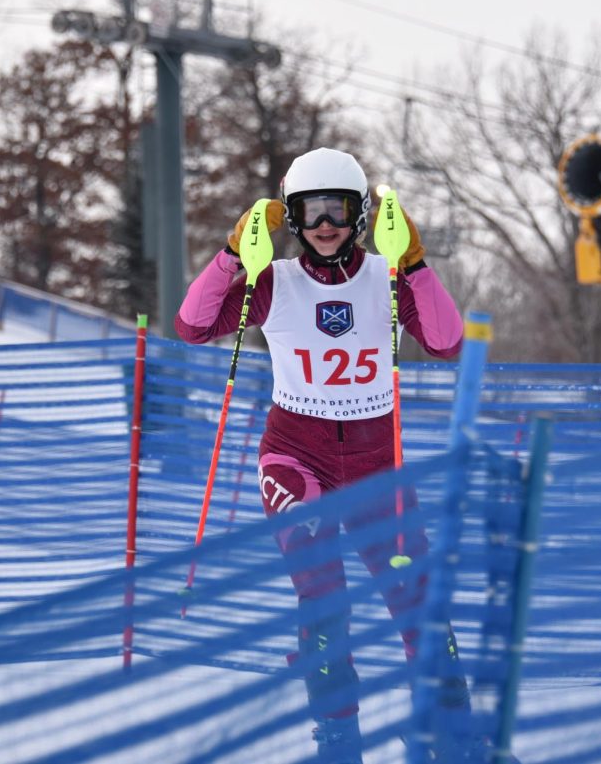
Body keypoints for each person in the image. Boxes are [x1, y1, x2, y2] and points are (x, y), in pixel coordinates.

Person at [175, 148, 484, 764]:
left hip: (376, 465)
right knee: (324, 595)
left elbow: (448, 343)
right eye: (310, 210)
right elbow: (191, 325)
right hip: (297, 459)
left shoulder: (389, 280)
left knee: (418, 597)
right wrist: (233, 257)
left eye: (337, 209)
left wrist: (417, 264)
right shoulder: (273, 283)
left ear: (360, 213)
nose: (324, 224)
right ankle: (338, 737)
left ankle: (452, 736)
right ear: (292, 217)